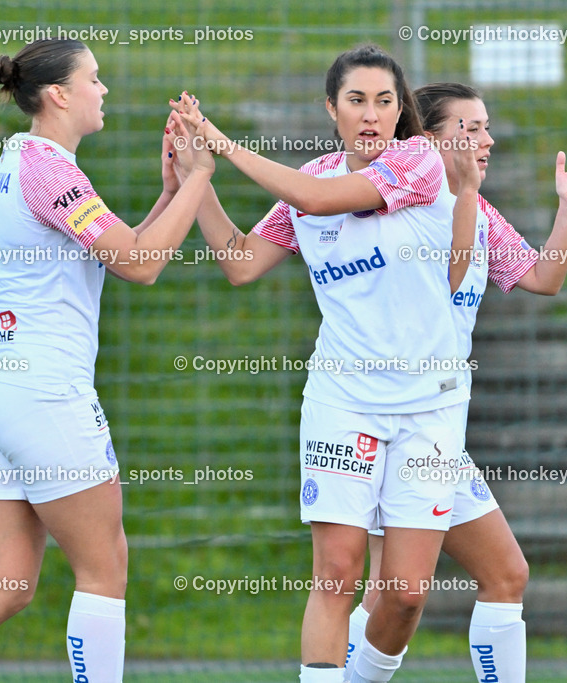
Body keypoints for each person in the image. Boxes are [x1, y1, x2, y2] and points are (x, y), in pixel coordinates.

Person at [0, 38, 214, 683]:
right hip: (40, 390)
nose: (103, 90)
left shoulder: (21, 161)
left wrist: (172, 192)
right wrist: (199, 176)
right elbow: (141, 265)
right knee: (104, 567)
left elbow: (131, 250)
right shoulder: (51, 167)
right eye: (95, 79)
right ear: (58, 94)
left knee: (5, 582)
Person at [168, 45, 482, 683]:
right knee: (337, 572)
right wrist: (196, 176)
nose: (371, 115)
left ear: (402, 112)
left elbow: (316, 198)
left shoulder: (417, 163)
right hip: (343, 403)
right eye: (356, 101)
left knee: (405, 594)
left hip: (430, 409)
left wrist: (224, 146)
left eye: (385, 102)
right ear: (331, 109)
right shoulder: (308, 184)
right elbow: (241, 260)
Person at [343, 83, 567, 682]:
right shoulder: (400, 212)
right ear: (429, 141)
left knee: (504, 576)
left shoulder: (480, 211)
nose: (488, 140)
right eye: (472, 129)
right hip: (391, 421)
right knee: (393, 595)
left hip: (439, 430)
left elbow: (542, 278)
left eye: (487, 127)